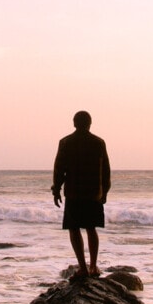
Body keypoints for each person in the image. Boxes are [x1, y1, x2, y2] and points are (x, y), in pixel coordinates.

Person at [51, 110, 111, 279]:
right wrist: (104, 191)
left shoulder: (66, 142)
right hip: (93, 194)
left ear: (74, 123)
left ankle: (83, 268)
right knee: (91, 228)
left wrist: (56, 190)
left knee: (74, 228)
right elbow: (106, 170)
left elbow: (59, 169)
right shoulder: (98, 143)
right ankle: (93, 266)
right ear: (90, 123)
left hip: (74, 193)